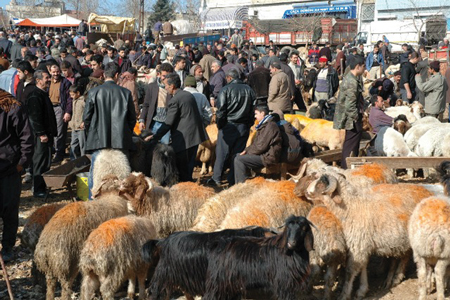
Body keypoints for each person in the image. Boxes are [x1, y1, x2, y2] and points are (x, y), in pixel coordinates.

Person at [83, 62, 136, 199]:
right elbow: (132, 119)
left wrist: (91, 135)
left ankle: (93, 202)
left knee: (96, 176)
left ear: (103, 75)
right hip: (121, 141)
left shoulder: (94, 92)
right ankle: (122, 203)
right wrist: (125, 132)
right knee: (122, 177)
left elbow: (86, 118)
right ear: (117, 75)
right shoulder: (125, 93)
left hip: (98, 141)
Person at [151, 73, 207, 182]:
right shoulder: (187, 95)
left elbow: (168, 122)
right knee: (189, 167)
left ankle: (185, 189)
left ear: (172, 86)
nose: (165, 88)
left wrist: (155, 136)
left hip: (184, 140)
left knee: (182, 169)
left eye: (166, 86)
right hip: (194, 137)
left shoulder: (175, 100)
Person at [0, 90, 33, 262]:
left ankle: (7, 247)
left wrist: (22, 164)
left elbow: (26, 138)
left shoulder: (13, 107)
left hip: (9, 168)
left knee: (9, 210)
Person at [208, 69, 256, 187]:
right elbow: (253, 110)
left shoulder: (225, 90)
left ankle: (216, 177)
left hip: (228, 125)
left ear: (229, 78)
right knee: (237, 153)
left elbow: (221, 111)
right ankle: (233, 177)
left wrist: (220, 125)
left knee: (222, 153)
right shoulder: (249, 90)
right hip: (243, 126)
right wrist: (248, 124)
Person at [27, 70, 57, 197]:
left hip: (46, 134)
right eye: (46, 78)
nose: (49, 80)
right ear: (38, 80)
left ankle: (42, 187)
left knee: (45, 161)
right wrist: (41, 134)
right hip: (41, 136)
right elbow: (34, 117)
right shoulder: (35, 95)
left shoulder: (42, 94)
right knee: (40, 161)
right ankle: (38, 189)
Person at [234, 105, 282, 184]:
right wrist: (246, 150)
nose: (255, 116)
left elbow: (260, 146)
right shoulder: (264, 125)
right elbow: (256, 144)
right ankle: (241, 182)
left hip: (268, 157)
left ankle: (241, 186)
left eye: (256, 114)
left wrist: (247, 152)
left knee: (239, 159)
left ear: (262, 113)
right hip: (264, 154)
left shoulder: (270, 126)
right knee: (236, 156)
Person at [333, 55, 365, 169]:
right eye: (363, 67)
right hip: (352, 119)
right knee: (351, 144)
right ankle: (347, 167)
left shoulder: (349, 78)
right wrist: (356, 117)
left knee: (350, 142)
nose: (364, 69)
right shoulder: (352, 82)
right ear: (357, 67)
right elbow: (350, 104)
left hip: (350, 117)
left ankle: (348, 166)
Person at [139, 63, 173, 144]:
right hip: (153, 122)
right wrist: (142, 120)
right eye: (164, 76)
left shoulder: (172, 88)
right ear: (159, 74)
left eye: (169, 76)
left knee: (164, 148)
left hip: (166, 124)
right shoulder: (152, 87)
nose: (166, 79)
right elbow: (146, 104)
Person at [49, 63, 72, 164]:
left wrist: (67, 112)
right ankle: (53, 150)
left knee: (59, 132)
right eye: (53, 72)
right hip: (50, 108)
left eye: (57, 72)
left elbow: (69, 99)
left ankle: (59, 153)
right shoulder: (48, 82)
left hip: (59, 108)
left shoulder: (65, 83)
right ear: (50, 72)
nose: (56, 74)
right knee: (51, 131)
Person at [69, 84, 86, 158]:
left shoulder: (83, 101)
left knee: (83, 145)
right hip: (74, 126)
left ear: (78, 93)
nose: (71, 96)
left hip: (81, 127)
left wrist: (84, 121)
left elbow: (87, 112)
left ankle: (84, 160)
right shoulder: (74, 100)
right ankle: (74, 160)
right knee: (73, 144)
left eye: (73, 94)